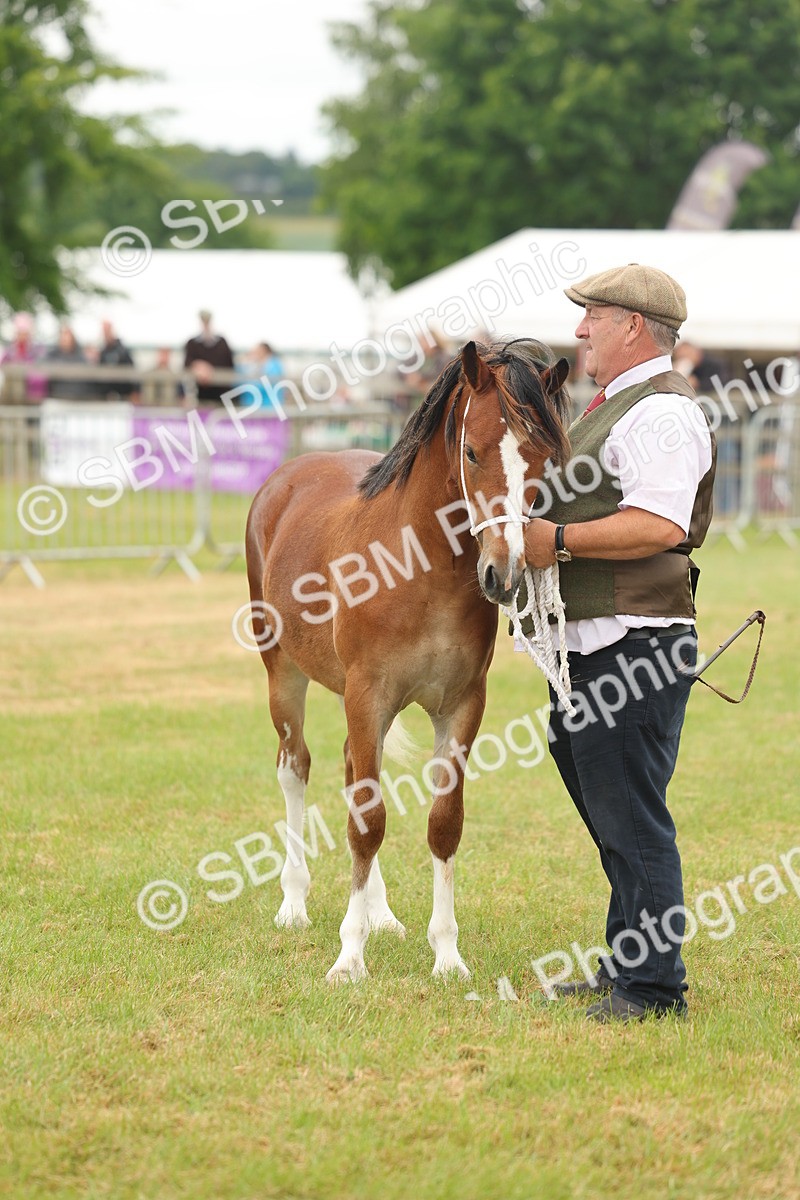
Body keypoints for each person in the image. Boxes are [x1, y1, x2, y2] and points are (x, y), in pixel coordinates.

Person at [523, 263, 716, 1023]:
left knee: (633, 818)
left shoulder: (663, 412)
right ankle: (629, 966)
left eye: (593, 317)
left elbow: (660, 524)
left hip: (632, 645)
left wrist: (556, 540)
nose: (579, 331)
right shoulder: (620, 404)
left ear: (633, 326)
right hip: (594, 646)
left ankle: (654, 989)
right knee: (614, 816)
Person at [183, 309, 234, 403]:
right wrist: (198, 365)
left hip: (221, 393)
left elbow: (229, 364)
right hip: (200, 392)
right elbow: (187, 363)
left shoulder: (222, 343)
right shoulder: (192, 343)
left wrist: (210, 370)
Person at [44, 325, 89, 400]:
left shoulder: (80, 357)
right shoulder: (52, 355)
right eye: (63, 336)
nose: (65, 339)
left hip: (76, 397)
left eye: (67, 336)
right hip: (57, 395)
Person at [97, 320, 137, 399]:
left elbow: (131, 370)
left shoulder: (123, 351)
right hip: (106, 396)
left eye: (107, 330)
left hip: (123, 395)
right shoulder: (103, 352)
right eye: (104, 331)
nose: (106, 334)